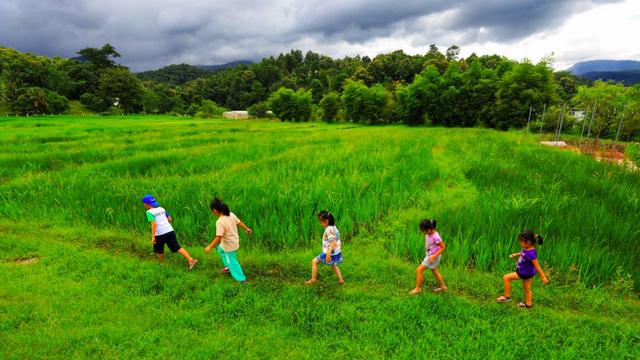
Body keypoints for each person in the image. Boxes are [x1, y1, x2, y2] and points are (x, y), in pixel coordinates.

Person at [141, 194, 198, 270]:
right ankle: (190, 259)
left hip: (159, 234)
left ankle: (162, 264)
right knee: (176, 247)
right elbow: (170, 219)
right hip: (169, 231)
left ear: (146, 204)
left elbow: (153, 224)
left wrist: (153, 237)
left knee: (159, 250)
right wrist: (163, 222)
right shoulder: (162, 209)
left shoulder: (149, 212)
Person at [496, 230, 549, 308]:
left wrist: (543, 277)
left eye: (521, 242)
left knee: (506, 278)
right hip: (529, 272)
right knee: (527, 288)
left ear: (528, 242)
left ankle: (507, 297)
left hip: (524, 273)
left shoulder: (531, 254)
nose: (520, 243)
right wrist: (516, 254)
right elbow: (523, 253)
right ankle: (528, 304)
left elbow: (537, 266)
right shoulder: (528, 248)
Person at [204, 198, 252, 283]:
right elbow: (239, 222)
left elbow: (218, 237)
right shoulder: (231, 214)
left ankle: (242, 279)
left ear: (214, 210)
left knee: (233, 262)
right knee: (220, 249)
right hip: (234, 242)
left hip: (228, 246)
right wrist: (246, 229)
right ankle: (228, 267)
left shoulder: (220, 222)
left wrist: (210, 247)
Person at [305, 210, 344, 285]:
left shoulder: (329, 230)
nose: (320, 224)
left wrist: (328, 253)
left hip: (330, 252)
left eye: (321, 222)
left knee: (314, 262)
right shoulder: (333, 227)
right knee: (333, 265)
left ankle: (313, 280)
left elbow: (333, 241)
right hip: (336, 251)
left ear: (326, 221)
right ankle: (341, 280)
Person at [409, 219, 447, 295]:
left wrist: (434, 256)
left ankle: (418, 288)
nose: (423, 233)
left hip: (432, 257)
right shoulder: (429, 231)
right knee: (435, 271)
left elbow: (443, 247)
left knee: (419, 270)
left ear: (429, 230)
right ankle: (443, 287)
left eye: (423, 231)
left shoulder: (436, 237)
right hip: (431, 255)